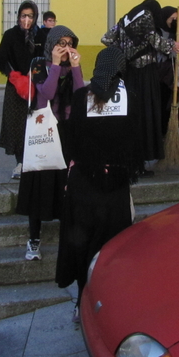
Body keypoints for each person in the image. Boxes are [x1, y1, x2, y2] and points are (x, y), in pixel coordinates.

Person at [55, 46, 141, 322]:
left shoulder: (82, 97)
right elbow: (139, 142)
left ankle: (81, 303)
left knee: (82, 248)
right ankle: (108, 306)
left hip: (84, 184)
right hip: (115, 186)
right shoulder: (132, 98)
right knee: (112, 249)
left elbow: (70, 140)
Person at [16, 25, 83, 261]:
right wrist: (55, 64)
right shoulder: (38, 64)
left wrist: (75, 68)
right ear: (52, 44)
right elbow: (46, 92)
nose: (65, 48)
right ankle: (33, 239)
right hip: (43, 132)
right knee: (39, 183)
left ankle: (69, 237)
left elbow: (80, 95)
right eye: (60, 43)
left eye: (69, 43)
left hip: (65, 132)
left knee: (65, 185)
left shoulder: (72, 65)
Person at [101, 0, 179, 174]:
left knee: (132, 116)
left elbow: (106, 38)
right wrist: (172, 45)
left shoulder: (125, 19)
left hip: (129, 74)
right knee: (145, 116)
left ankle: (131, 161)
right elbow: (154, 40)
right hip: (146, 75)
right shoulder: (147, 15)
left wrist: (124, 51)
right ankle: (139, 164)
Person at [0, 1, 40, 179]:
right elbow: (1, 61)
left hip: (38, 86)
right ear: (18, 17)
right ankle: (20, 162)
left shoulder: (41, 35)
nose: (26, 19)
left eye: (30, 16)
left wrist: (37, 75)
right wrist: (15, 77)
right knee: (17, 125)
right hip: (17, 87)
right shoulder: (10, 35)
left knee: (37, 124)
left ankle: (37, 160)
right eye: (23, 16)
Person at [157, 6, 179, 134]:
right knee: (162, 104)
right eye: (172, 18)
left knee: (173, 102)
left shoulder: (176, 31)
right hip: (160, 74)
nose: (174, 21)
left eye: (177, 18)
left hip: (172, 72)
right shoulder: (157, 31)